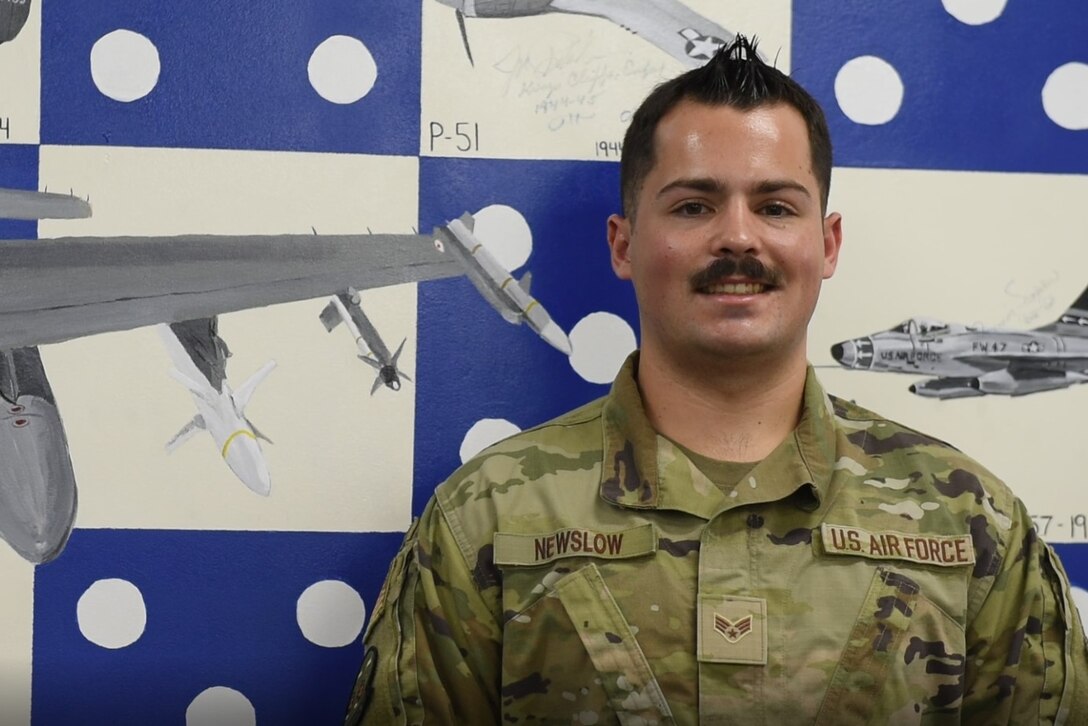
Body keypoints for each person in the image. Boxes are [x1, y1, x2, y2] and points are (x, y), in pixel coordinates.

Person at [345, 36, 1088, 724]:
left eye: (775, 206)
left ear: (826, 244)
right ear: (624, 243)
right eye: (695, 205)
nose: (737, 236)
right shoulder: (488, 518)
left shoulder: (969, 523)